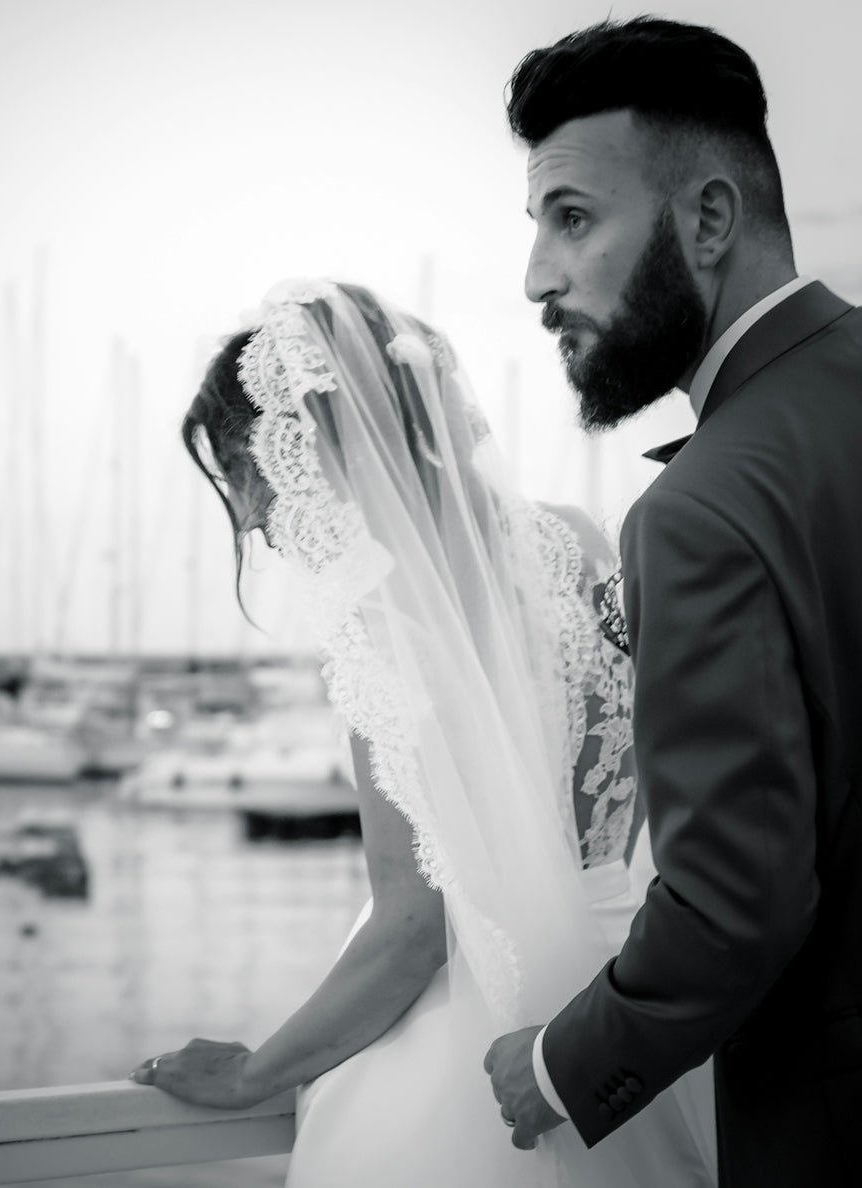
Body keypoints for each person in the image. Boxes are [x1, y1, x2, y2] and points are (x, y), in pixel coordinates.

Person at [132, 279, 715, 1185]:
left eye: (249, 470)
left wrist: (254, 1072)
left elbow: (414, 926)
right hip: (612, 1002)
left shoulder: (387, 627)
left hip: (479, 1040)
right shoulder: (581, 544)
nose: (251, 515)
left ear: (317, 450)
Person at [484, 17, 862, 1187]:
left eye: (575, 218)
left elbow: (733, 909)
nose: (539, 279)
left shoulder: (702, 511)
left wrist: (556, 1065)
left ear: (708, 218)